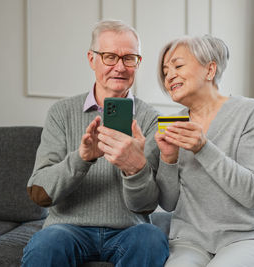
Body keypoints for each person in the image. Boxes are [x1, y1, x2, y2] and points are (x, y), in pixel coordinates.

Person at [21, 19, 168, 267]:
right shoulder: (62, 112)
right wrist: (82, 158)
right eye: (110, 57)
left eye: (129, 58)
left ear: (138, 63)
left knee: (152, 239)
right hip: (67, 228)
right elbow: (40, 193)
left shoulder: (151, 119)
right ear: (92, 59)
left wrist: (134, 169)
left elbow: (147, 205)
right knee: (46, 245)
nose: (120, 67)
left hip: (129, 231)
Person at [131, 35, 254, 266]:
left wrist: (203, 148)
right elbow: (168, 204)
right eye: (165, 71)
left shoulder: (250, 112)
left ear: (210, 69)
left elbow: (253, 193)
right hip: (189, 242)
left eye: (178, 65)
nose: (169, 75)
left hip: (246, 238)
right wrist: (169, 159)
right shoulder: (172, 124)